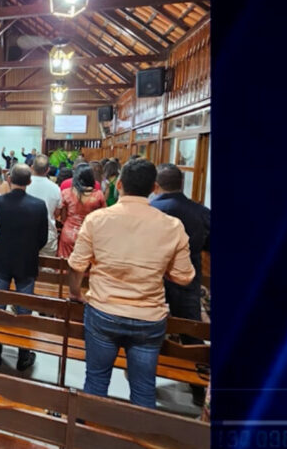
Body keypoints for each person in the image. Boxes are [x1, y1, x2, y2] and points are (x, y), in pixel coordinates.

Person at [66, 159, 195, 408]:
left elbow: (77, 265)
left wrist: (76, 293)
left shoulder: (97, 220)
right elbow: (184, 276)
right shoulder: (172, 226)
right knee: (144, 387)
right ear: (154, 187)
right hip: (149, 316)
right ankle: (138, 439)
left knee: (95, 380)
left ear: (121, 184)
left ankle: (87, 436)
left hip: (103, 311)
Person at [150, 163, 211, 406]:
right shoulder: (201, 211)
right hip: (189, 278)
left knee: (153, 330)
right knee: (191, 330)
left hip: (156, 277)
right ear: (182, 184)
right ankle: (198, 385)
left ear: (156, 185)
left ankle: (145, 379)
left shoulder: (151, 209)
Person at [0, 164, 48, 370]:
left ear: (10, 179)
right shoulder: (39, 205)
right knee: (24, 309)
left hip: (2, 260)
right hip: (26, 262)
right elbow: (43, 238)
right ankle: (23, 355)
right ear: (29, 182)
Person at [58, 164, 106, 258]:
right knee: (85, 264)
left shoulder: (66, 193)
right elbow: (103, 218)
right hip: (89, 234)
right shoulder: (98, 195)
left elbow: (63, 217)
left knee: (64, 265)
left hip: (69, 233)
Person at [25, 155, 62, 255]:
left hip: (26, 232)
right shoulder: (55, 188)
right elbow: (57, 212)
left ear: (32, 167)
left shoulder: (24, 185)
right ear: (48, 170)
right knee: (48, 268)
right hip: (48, 233)